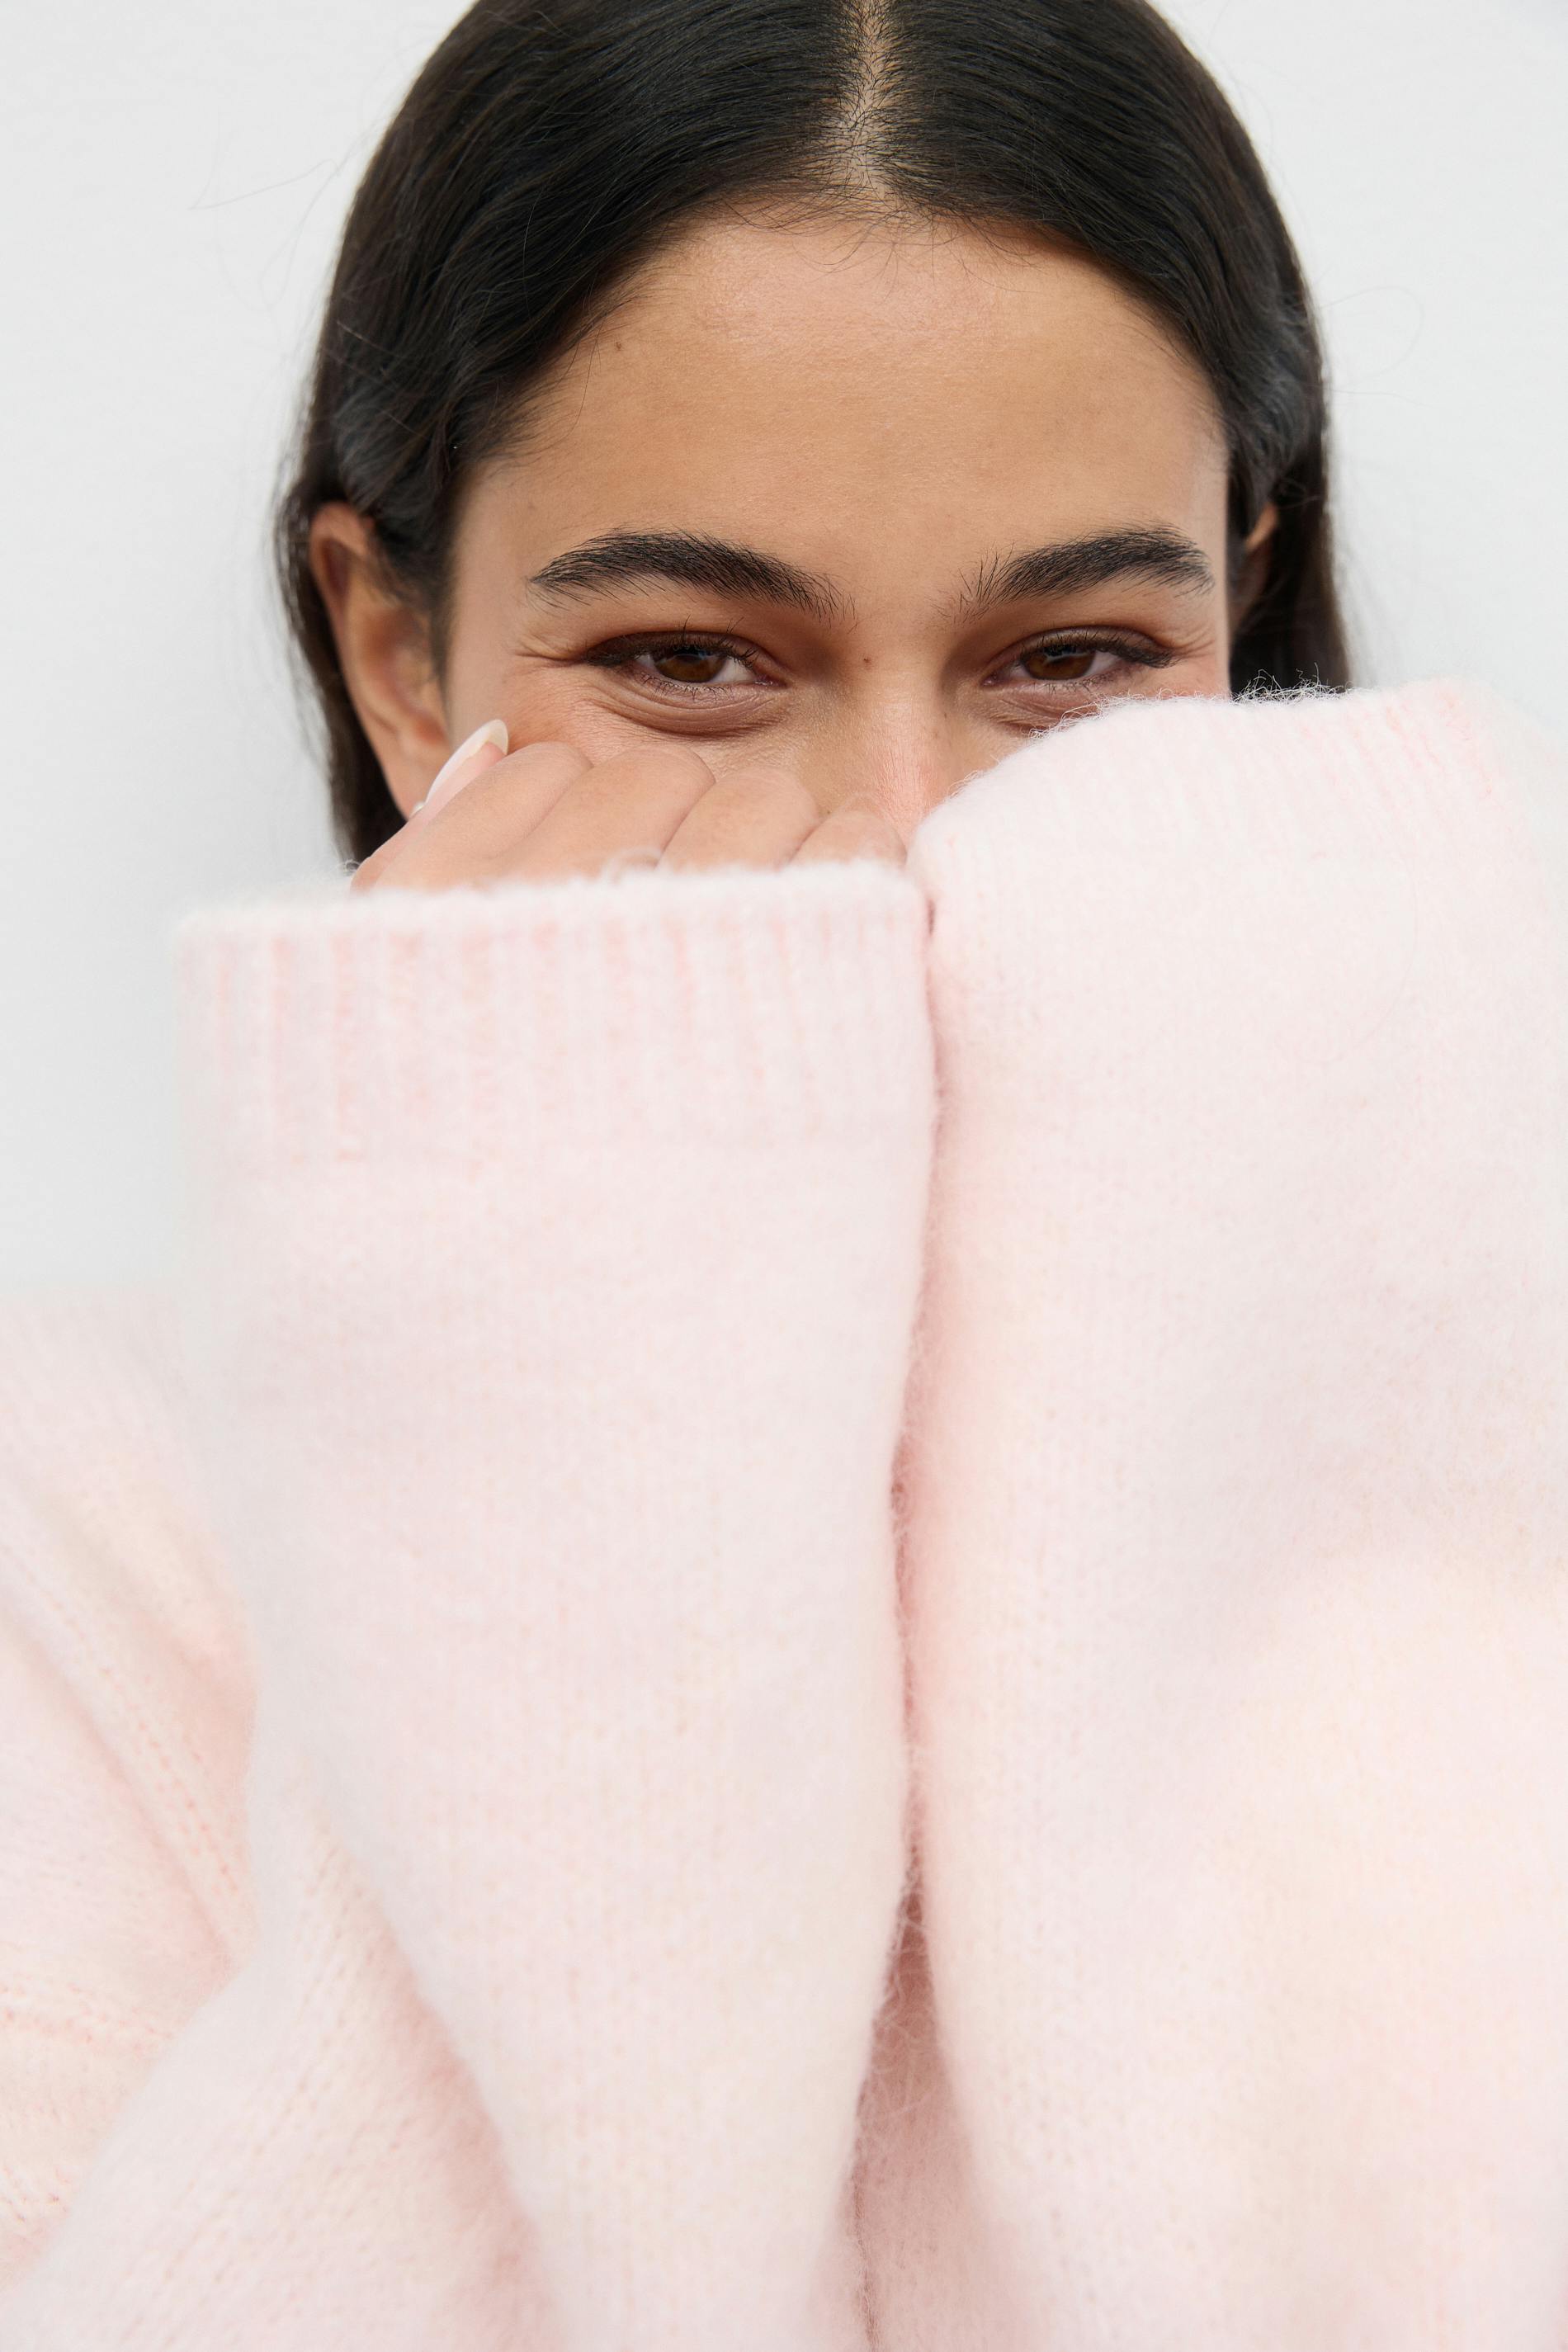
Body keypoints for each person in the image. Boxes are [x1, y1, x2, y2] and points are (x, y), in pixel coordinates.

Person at [4, 0, 1568, 2344]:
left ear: (1240, 628)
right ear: (402, 656)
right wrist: (555, 1481)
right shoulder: (61, 1527)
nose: (903, 840)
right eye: (692, 660)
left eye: (1074, 655)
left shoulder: (1499, 1462)